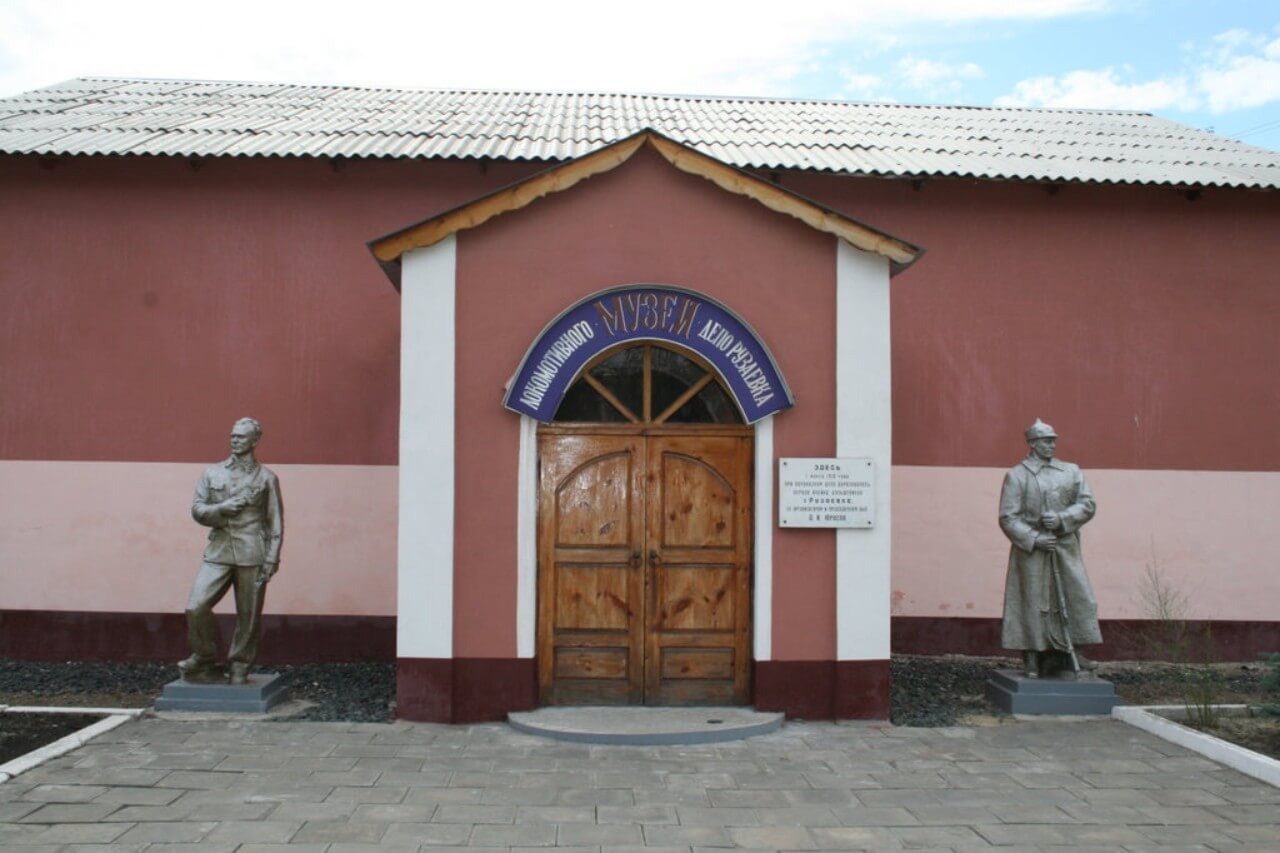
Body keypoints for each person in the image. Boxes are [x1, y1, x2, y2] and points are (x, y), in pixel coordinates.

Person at [178, 417, 284, 685]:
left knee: (249, 615)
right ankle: (203, 657)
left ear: (255, 440)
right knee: (196, 606)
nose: (234, 440)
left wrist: (272, 558)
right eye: (232, 435)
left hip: (253, 553)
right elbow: (197, 509)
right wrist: (221, 509)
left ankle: (240, 664)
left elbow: (275, 521)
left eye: (241, 436)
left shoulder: (267, 478)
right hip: (219, 551)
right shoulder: (212, 473)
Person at [999, 419, 1101, 678]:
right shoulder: (1017, 475)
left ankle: (1073, 650)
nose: (1051, 445)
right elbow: (1008, 517)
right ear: (1032, 444)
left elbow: (1087, 504)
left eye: (1053, 440)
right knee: (1032, 601)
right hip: (1032, 551)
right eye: (1046, 441)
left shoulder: (1071, 471)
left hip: (1065, 546)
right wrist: (1034, 538)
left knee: (1078, 596)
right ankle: (1032, 656)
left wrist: (1063, 518)